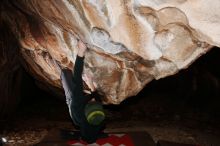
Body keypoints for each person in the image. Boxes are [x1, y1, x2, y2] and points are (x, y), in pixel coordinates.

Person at [57, 40, 106, 143]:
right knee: (93, 94)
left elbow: (77, 79)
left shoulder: (78, 109)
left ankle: (85, 136)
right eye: (95, 102)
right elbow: (96, 98)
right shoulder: (100, 119)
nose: (93, 100)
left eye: (91, 102)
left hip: (75, 110)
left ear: (86, 108)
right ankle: (90, 136)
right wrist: (91, 84)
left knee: (65, 73)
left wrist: (81, 52)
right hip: (89, 122)